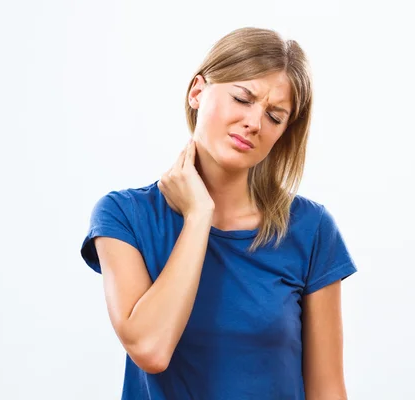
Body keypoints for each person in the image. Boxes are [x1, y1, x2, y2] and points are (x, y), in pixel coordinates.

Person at [80, 26, 357, 400]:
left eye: (275, 117)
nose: (254, 123)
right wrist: (197, 217)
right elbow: (150, 348)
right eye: (243, 98)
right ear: (197, 92)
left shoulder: (310, 229)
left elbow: (327, 391)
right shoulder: (125, 217)